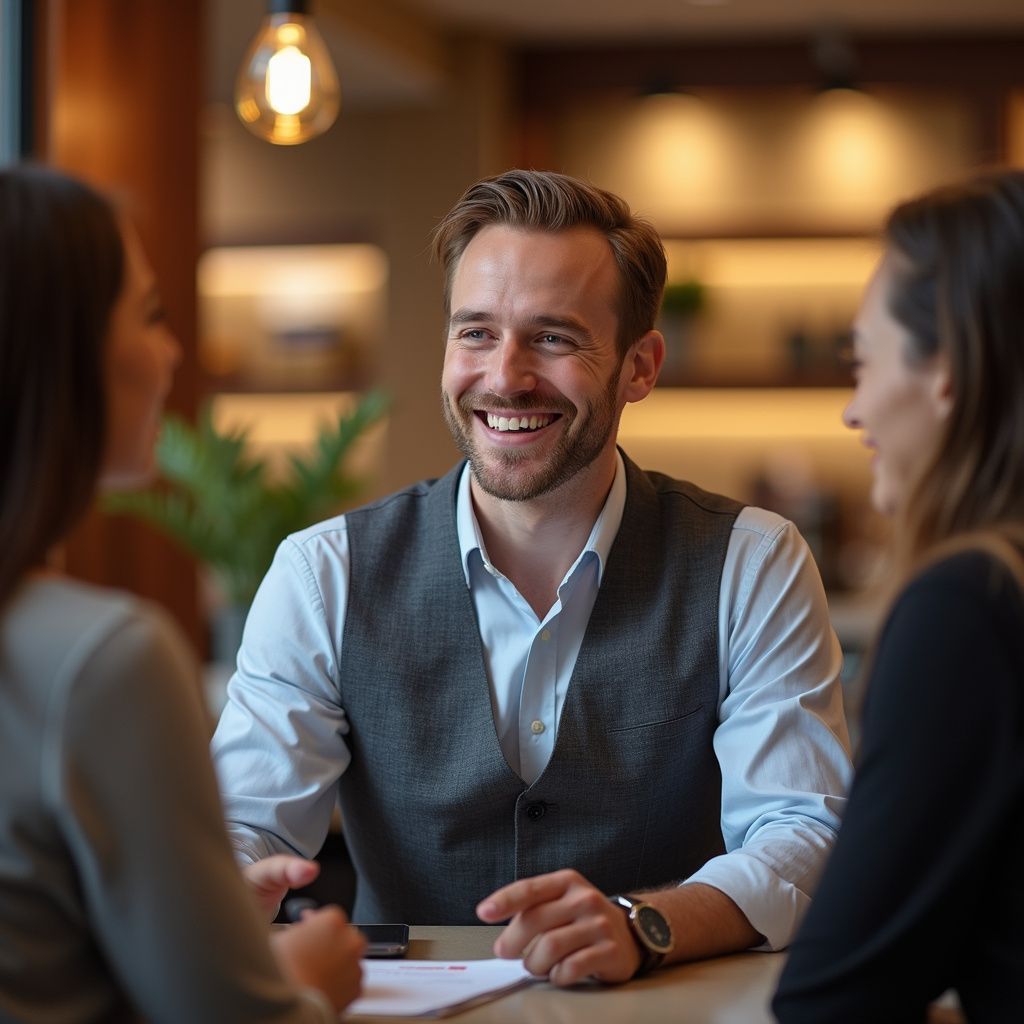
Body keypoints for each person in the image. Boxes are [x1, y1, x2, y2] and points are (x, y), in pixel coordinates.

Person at [212, 168, 852, 986]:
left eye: (553, 337)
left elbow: (804, 834)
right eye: (475, 333)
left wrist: (645, 923)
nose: (505, 376)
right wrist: (230, 878)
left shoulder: (751, 561)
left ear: (640, 367)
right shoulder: (323, 573)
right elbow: (243, 823)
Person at [0, 164, 365, 1023]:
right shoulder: (103, 659)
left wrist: (198, 917)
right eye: (150, 316)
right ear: (63, 355)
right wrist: (306, 978)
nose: (171, 353)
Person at [773, 170, 1024, 1022]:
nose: (854, 408)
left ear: (946, 367)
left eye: (863, 361)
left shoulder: (971, 607)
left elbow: (836, 996)